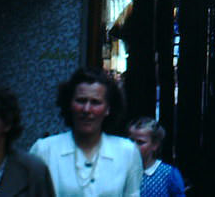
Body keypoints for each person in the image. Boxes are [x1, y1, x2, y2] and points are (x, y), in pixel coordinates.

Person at [30, 67, 142, 196]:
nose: (87, 109)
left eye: (95, 102)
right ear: (69, 104)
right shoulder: (45, 150)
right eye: (81, 101)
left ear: (108, 109)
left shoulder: (127, 152)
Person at [127, 118, 186, 197]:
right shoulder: (123, 170)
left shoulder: (167, 174)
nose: (133, 146)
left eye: (140, 142)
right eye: (131, 141)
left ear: (155, 145)